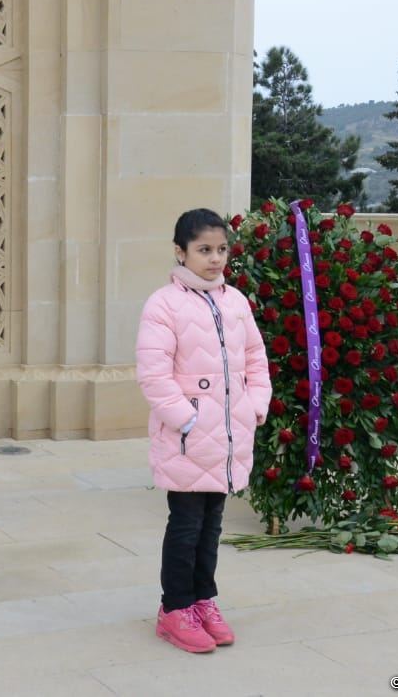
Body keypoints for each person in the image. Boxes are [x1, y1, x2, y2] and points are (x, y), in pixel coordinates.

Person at [135, 208, 272, 653]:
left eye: (221, 249)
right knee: (186, 524)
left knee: (212, 523)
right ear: (181, 252)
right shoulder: (163, 304)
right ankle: (174, 608)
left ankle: (203, 600)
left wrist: (255, 405)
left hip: (230, 435)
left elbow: (255, 358)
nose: (215, 259)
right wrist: (188, 419)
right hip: (188, 438)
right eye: (204, 250)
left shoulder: (235, 301)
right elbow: (154, 376)